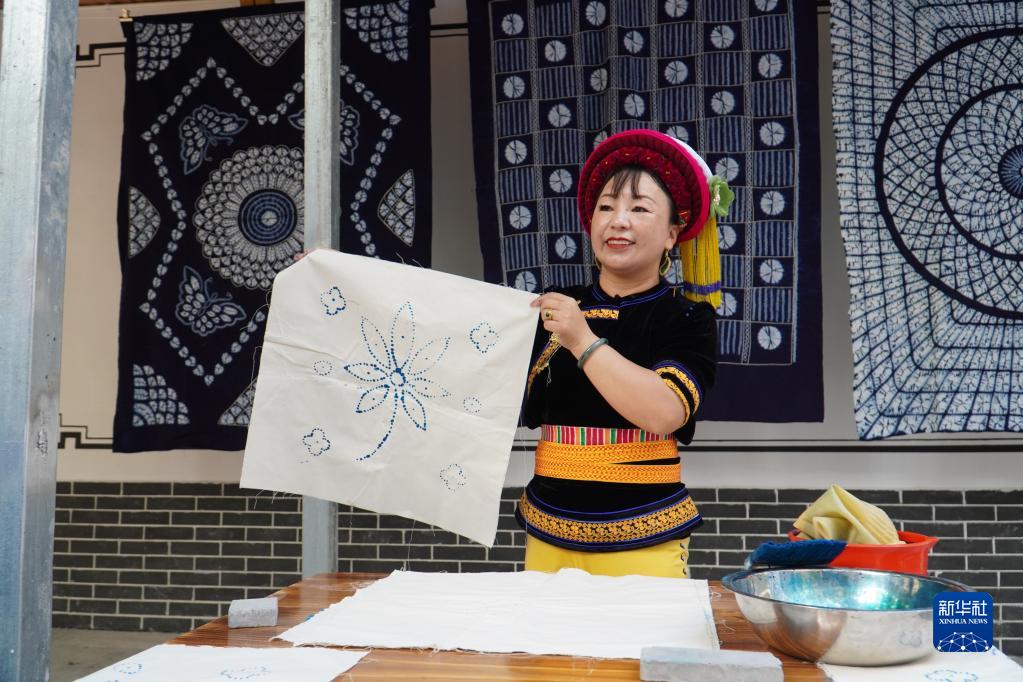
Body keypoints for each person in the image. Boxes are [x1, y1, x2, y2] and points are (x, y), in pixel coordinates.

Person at [518, 128, 732, 579]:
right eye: (606, 207)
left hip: (644, 537)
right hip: (546, 530)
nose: (618, 221)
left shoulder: (686, 317)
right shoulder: (551, 308)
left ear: (672, 234)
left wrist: (582, 340)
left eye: (639, 208)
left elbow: (664, 412)